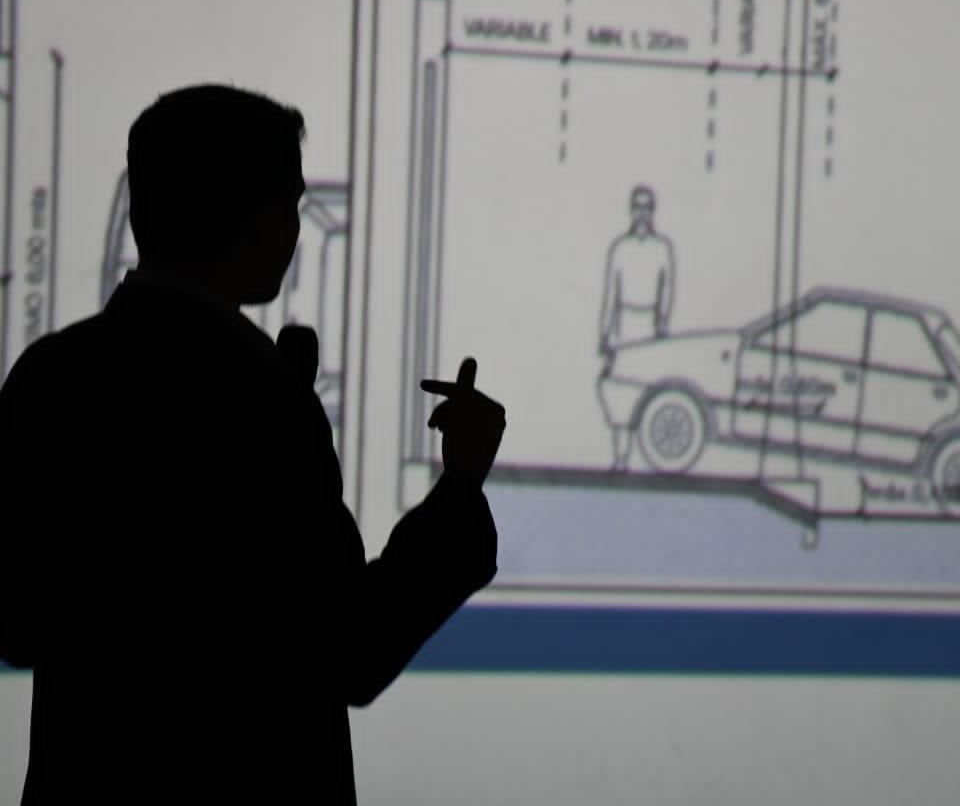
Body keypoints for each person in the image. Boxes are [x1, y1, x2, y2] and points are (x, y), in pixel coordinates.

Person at [0, 84, 505, 805]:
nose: (295, 230)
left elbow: (19, 625)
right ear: (256, 217)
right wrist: (459, 489)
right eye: (290, 205)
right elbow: (353, 651)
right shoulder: (263, 400)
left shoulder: (50, 375)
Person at [598, 184, 674, 470]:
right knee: (620, 391)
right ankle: (621, 456)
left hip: (650, 327)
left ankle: (648, 459)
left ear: (652, 211)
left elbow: (667, 289)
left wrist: (662, 323)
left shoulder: (662, 248)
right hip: (624, 326)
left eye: (646, 207)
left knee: (649, 390)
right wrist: (605, 333)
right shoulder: (620, 248)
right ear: (631, 211)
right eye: (637, 207)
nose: (642, 213)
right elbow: (610, 294)